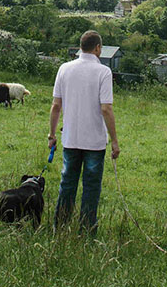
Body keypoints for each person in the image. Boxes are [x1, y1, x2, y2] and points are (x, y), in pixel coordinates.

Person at [49, 30, 120, 234]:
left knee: (67, 184)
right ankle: (86, 230)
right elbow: (106, 108)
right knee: (91, 188)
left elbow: (55, 106)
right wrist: (114, 140)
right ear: (98, 48)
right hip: (95, 142)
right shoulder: (103, 72)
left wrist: (52, 135)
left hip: (70, 138)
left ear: (81, 47)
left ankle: (60, 227)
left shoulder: (64, 68)